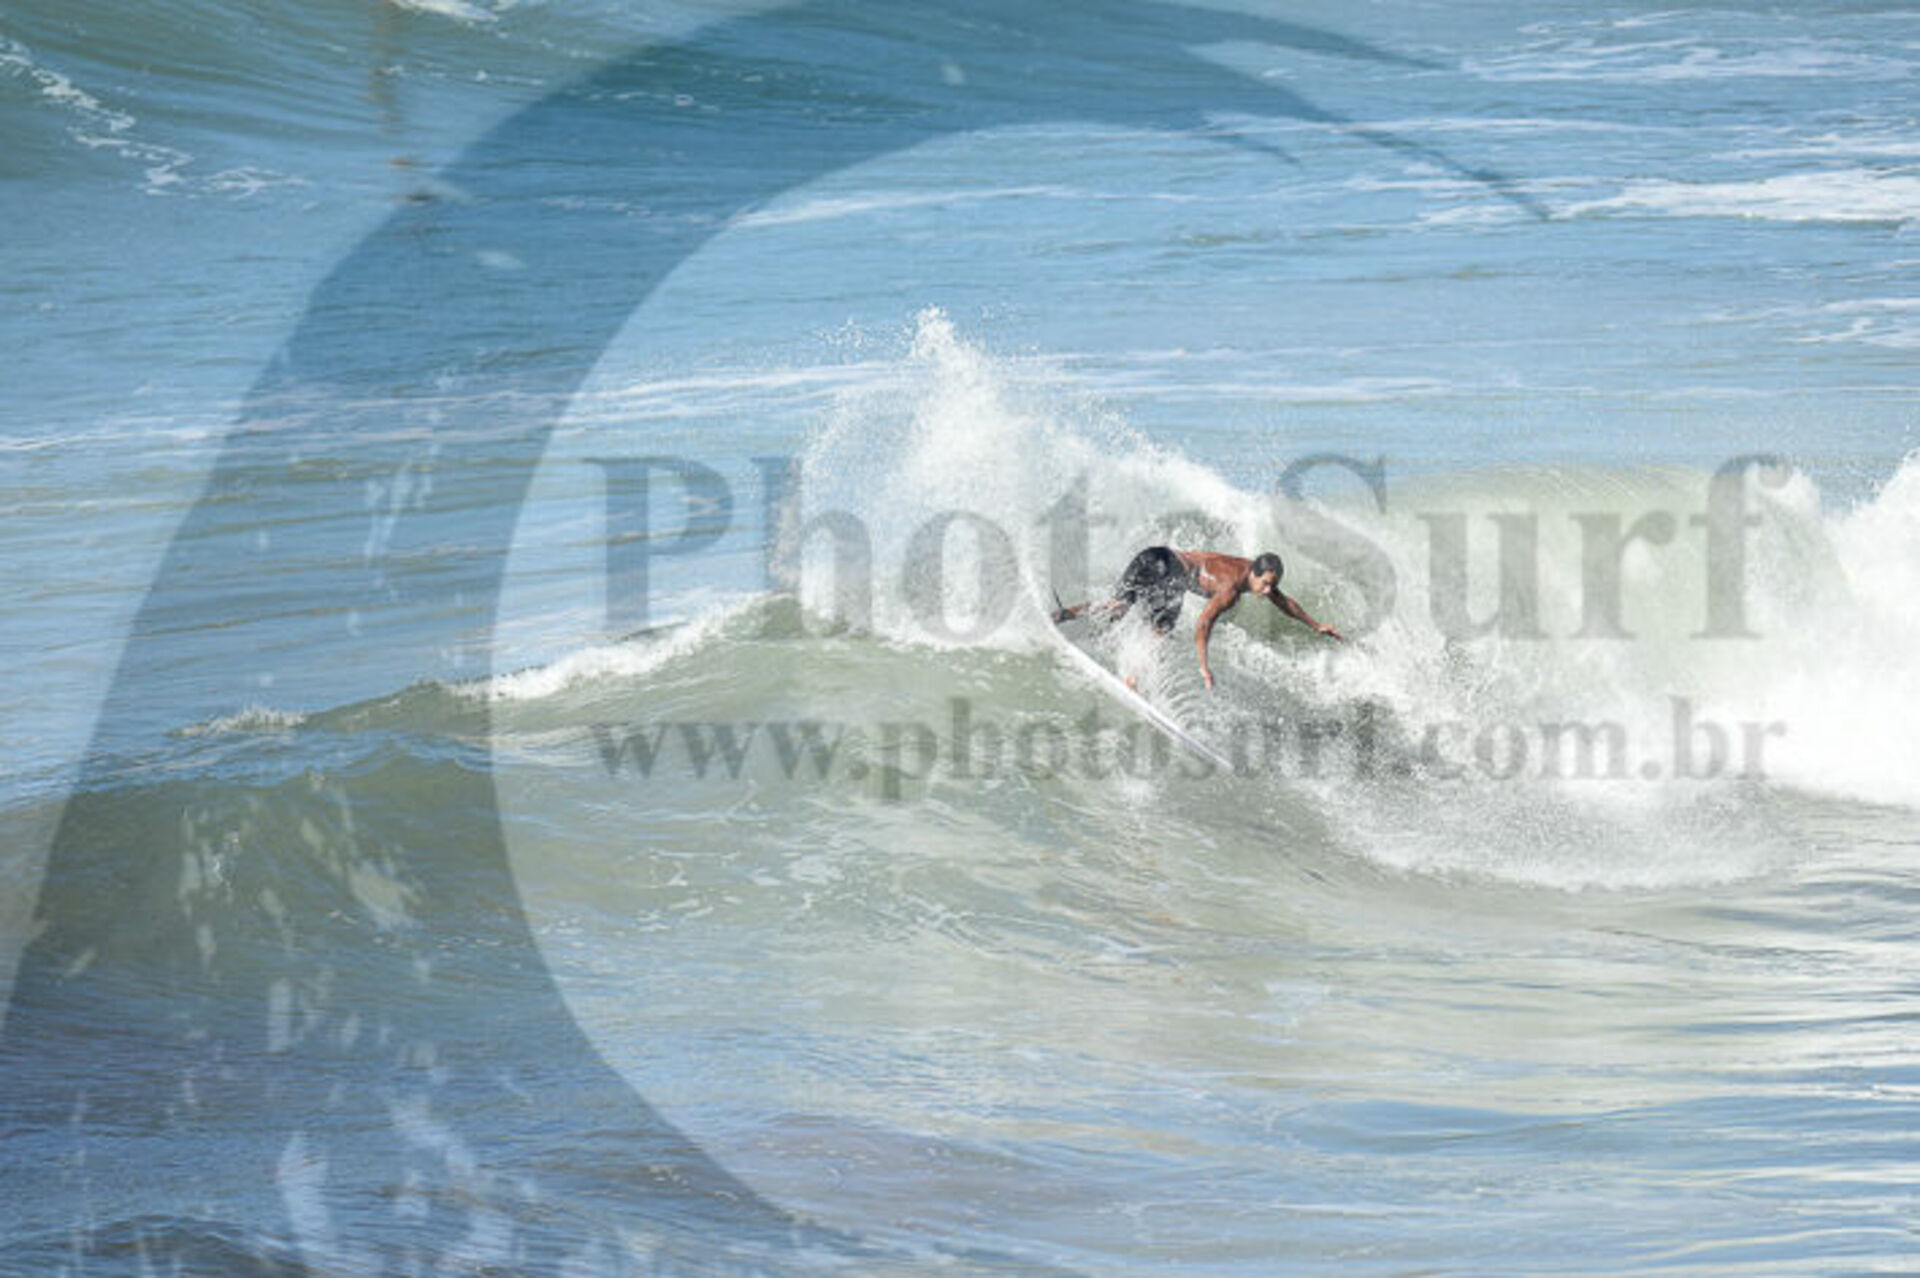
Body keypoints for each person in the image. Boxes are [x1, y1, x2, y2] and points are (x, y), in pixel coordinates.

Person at [1053, 547, 1343, 690]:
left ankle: (1061, 615)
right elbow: (1203, 624)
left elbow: (1284, 601)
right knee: (1161, 629)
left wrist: (1316, 625)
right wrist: (1204, 668)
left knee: (1116, 607)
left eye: (1272, 585)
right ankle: (1132, 679)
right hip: (1168, 568)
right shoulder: (1230, 590)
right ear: (1255, 573)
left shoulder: (1248, 568)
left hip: (1154, 555)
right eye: (1265, 584)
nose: (1268, 591)